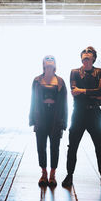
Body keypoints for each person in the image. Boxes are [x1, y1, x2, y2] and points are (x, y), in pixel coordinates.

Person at [62, 46, 101, 191]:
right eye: (84, 54)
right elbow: (73, 92)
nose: (86, 55)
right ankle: (69, 175)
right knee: (72, 146)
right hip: (78, 114)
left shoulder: (100, 72)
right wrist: (91, 93)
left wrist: (82, 91)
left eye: (89, 54)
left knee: (99, 147)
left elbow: (100, 92)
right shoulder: (74, 72)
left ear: (93, 58)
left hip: (95, 114)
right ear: (81, 58)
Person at [29, 55, 67, 187]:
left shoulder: (60, 81)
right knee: (41, 146)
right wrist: (32, 119)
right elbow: (33, 100)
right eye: (47, 59)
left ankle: (52, 174)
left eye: (52, 60)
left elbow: (64, 103)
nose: (50, 61)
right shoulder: (37, 80)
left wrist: (64, 121)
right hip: (41, 114)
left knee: (55, 146)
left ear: (55, 65)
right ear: (43, 64)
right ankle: (43, 173)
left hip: (55, 116)